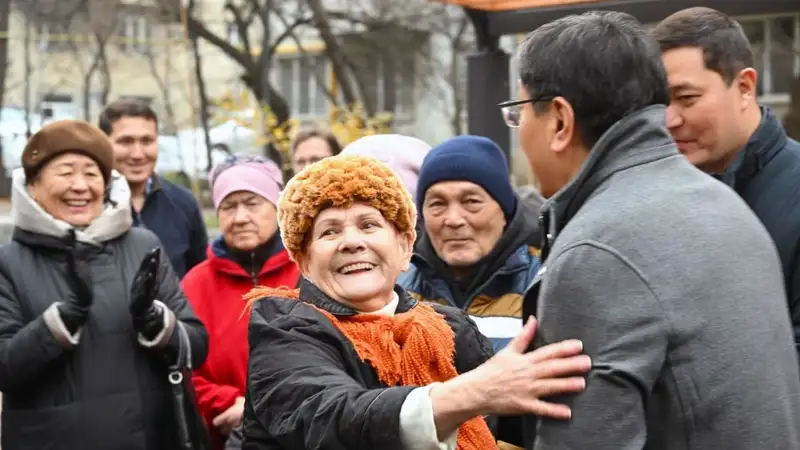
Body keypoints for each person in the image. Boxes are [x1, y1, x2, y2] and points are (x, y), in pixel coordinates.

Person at [505, 11, 800, 449]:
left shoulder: (597, 251)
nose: (519, 130)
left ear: (561, 121)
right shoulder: (722, 202)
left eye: (520, 112)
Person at [241, 154, 592, 450]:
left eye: (368, 225)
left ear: (405, 246)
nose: (351, 242)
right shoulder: (283, 329)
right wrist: (470, 393)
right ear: (303, 261)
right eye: (329, 231)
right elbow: (331, 418)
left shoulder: (451, 329)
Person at [0, 119, 209, 449]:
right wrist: (58, 324)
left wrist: (156, 322)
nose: (81, 186)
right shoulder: (8, 263)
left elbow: (196, 347)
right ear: (33, 185)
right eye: (66, 173)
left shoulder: (143, 245)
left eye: (92, 174)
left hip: (151, 438)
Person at [652, 7, 800, 360]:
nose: (669, 119)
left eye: (687, 98)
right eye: (658, 102)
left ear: (745, 87)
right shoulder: (660, 198)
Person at [182, 155, 300, 450]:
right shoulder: (195, 283)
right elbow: (181, 367)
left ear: (276, 208)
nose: (240, 217)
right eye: (228, 206)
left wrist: (255, 408)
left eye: (252, 202)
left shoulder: (309, 270)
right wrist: (226, 402)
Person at [399, 135, 541, 354]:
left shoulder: (542, 282)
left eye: (471, 202)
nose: (454, 219)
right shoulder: (399, 287)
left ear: (505, 211)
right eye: (437, 204)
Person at [99, 99, 208, 278]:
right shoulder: (87, 205)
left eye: (147, 141)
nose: (138, 154)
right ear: (103, 144)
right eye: (125, 142)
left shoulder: (184, 204)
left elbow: (199, 279)